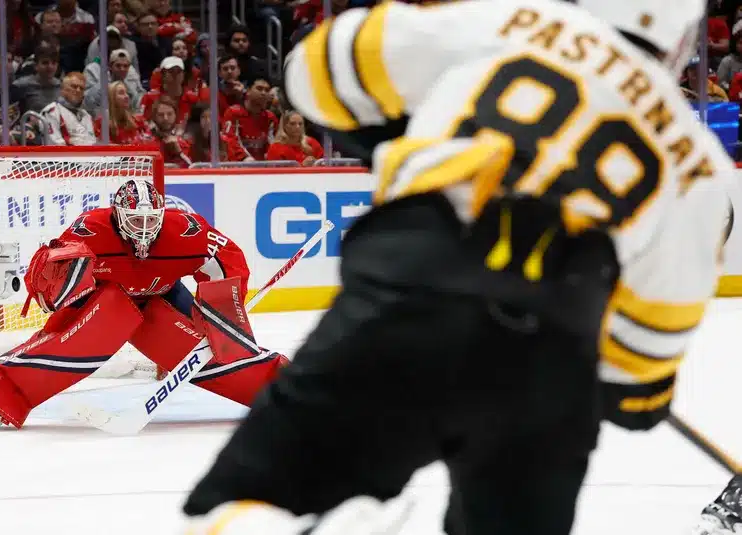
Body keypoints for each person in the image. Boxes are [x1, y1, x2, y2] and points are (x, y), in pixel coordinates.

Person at [178, 1, 736, 534]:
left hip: (419, 279)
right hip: (553, 355)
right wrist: (635, 396)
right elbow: (639, 371)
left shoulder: (519, 20)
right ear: (685, 40)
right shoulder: (703, 168)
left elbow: (315, 71)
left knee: (243, 505)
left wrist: (392, 136)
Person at [0, 179, 288, 430]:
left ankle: (289, 393)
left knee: (219, 351)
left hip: (162, 297)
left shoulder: (187, 231)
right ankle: (4, 393)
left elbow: (227, 262)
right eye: (135, 220)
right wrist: (48, 287)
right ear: (118, 216)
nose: (143, 228)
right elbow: (53, 280)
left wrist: (221, 314)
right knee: (70, 346)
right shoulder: (90, 229)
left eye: (150, 220)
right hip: (107, 301)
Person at [222, 75, 277, 161]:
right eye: (259, 89)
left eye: (267, 90)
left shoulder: (270, 117)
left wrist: (271, 158)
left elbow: (273, 143)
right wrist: (245, 158)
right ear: (248, 91)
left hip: (264, 168)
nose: (263, 93)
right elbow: (230, 140)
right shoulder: (233, 113)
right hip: (239, 166)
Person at [41, 72, 96, 146]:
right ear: (62, 89)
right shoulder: (51, 112)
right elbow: (55, 146)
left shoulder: (86, 115)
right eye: (74, 86)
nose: (78, 90)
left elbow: (92, 143)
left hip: (90, 156)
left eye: (82, 88)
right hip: (63, 156)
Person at [148, 95, 191, 167]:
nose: (165, 118)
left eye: (170, 114)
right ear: (154, 117)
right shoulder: (145, 141)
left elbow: (192, 168)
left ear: (175, 115)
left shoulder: (185, 141)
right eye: (161, 115)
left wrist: (179, 152)